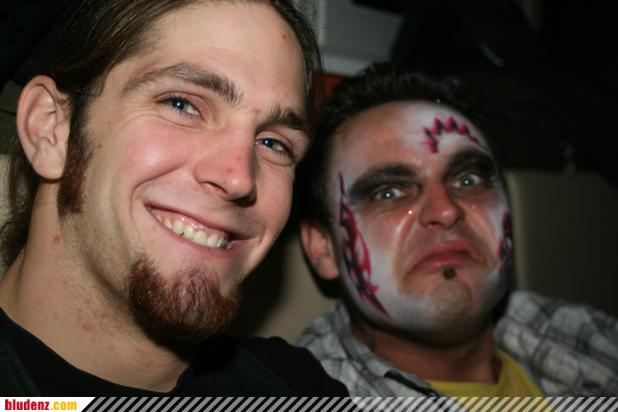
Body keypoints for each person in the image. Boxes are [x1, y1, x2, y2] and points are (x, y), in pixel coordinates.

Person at [0, 0, 349, 396]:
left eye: (273, 143)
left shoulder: (297, 386)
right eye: (181, 105)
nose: (239, 178)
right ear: (50, 129)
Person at [296, 62, 618, 397]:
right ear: (323, 248)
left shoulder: (582, 332)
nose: (446, 210)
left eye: (468, 180)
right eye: (388, 192)